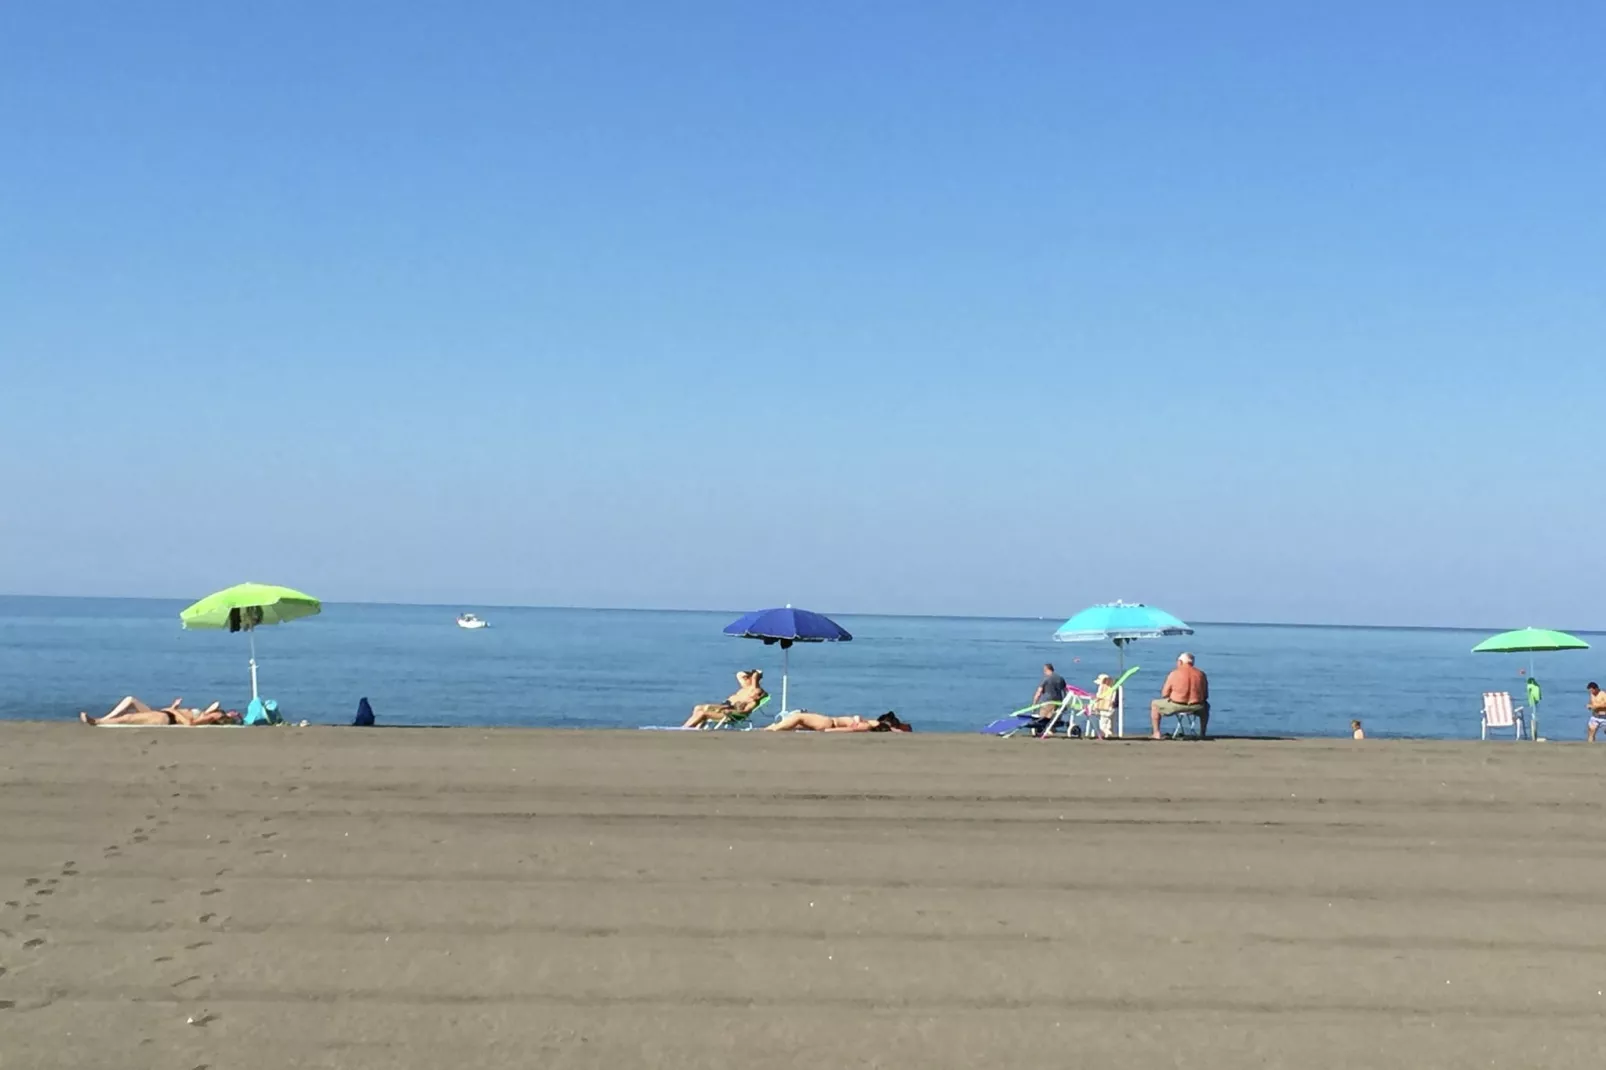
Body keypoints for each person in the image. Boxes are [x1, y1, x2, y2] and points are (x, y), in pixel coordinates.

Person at [1150, 652, 1210, 739]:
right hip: (1197, 707)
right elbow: (1205, 695)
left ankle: (1156, 733)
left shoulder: (1174, 673)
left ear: (1180, 662)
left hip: (1177, 705)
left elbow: (1164, 694)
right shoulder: (1201, 674)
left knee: (1154, 704)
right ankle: (1202, 733)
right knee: (1206, 706)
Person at [682, 670, 767, 729]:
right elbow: (739, 674)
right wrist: (752, 674)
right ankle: (695, 727)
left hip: (729, 715)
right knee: (698, 707)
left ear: (757, 696)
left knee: (703, 713)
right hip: (726, 707)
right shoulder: (747, 688)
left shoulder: (752, 701)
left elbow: (743, 712)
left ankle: (685, 728)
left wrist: (756, 676)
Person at [81, 697, 238, 726]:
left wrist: (173, 711)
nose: (234, 711)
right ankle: (103, 718)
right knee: (130, 700)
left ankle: (97, 721)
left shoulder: (215, 716)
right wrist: (174, 707)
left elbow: (189, 723)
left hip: (165, 717)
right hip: (164, 713)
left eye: (236, 714)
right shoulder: (210, 713)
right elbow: (214, 705)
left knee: (128, 717)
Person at [765, 711, 911, 733]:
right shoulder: (870, 723)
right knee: (796, 720)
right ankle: (773, 728)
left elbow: (851, 730)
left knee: (798, 716)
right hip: (829, 722)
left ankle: (773, 729)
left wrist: (830, 731)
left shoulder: (866, 725)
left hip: (829, 723)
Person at [1090, 674, 1118, 739]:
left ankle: (1107, 733)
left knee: (1102, 724)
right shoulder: (1113, 688)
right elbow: (1113, 699)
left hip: (1104, 708)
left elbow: (1098, 697)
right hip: (1111, 708)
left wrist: (1094, 707)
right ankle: (1107, 735)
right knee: (1109, 722)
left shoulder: (1102, 688)